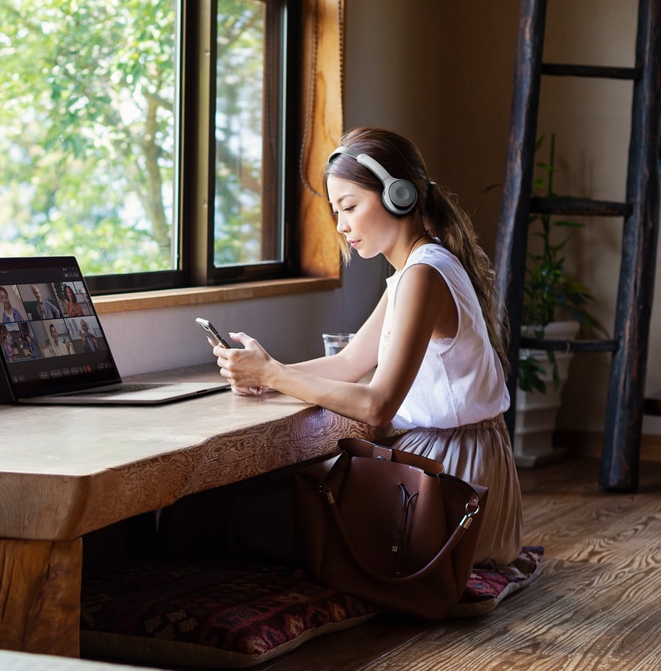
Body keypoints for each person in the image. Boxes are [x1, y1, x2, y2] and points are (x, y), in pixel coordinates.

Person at [211, 127, 523, 569]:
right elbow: (350, 361)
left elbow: (377, 405)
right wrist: (265, 373)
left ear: (399, 195)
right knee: (264, 511)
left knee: (243, 516)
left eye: (350, 207)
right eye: (337, 211)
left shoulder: (423, 274)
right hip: (456, 469)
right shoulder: (414, 270)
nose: (341, 225)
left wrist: (274, 375)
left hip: (452, 489)